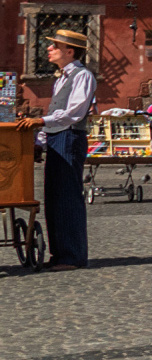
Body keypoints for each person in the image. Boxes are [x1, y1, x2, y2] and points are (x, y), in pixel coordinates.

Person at [34, 29, 94, 270]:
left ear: (70, 51)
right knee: (54, 197)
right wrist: (40, 140)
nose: (49, 49)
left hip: (70, 138)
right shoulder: (61, 79)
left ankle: (72, 256)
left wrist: (41, 122)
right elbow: (54, 114)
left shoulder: (83, 76)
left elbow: (74, 113)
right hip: (57, 138)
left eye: (54, 46)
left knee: (68, 196)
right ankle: (59, 254)